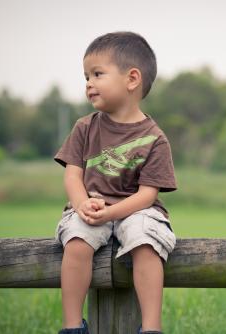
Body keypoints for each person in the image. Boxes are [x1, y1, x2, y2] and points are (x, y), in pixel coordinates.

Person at [54, 31, 178, 334]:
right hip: (91, 203)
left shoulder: (155, 138)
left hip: (136, 209)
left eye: (97, 74)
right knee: (77, 239)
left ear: (132, 79)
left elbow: (148, 195)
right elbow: (73, 174)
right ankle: (72, 326)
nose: (88, 83)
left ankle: (151, 328)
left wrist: (113, 213)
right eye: (86, 76)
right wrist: (83, 204)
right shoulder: (85, 127)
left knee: (146, 239)